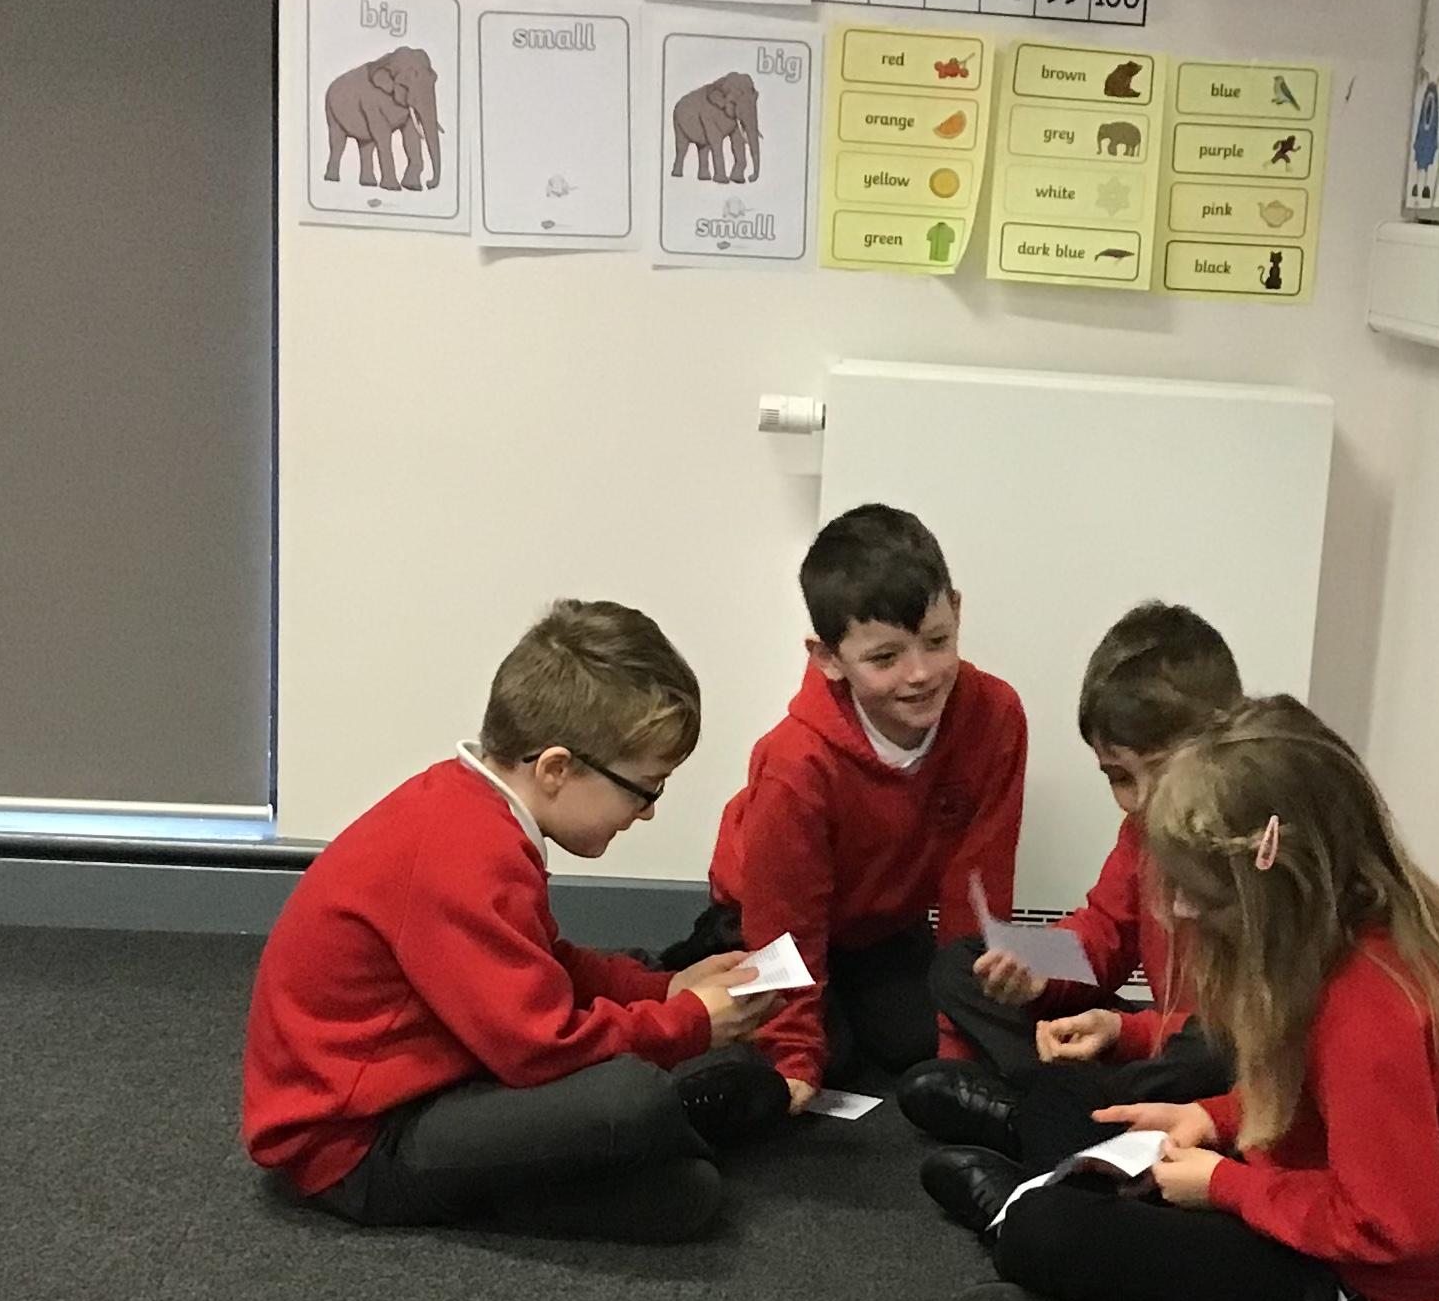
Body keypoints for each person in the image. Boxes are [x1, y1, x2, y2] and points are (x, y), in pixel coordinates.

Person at [945, 699, 1439, 1301]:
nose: (1179, 910)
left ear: (1279, 877)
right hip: (1296, 1203)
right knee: (1082, 1108)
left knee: (1048, 1233)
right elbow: (1308, 1099)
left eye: (1201, 896)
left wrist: (1226, 1187)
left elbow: (1396, 1228)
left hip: (1350, 1299)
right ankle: (1039, 1205)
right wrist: (1213, 1118)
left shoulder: (1368, 1009)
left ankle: (1029, 1233)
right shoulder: (1337, 942)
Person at [242, 600, 792, 1243]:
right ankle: (631, 1144)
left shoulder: (472, 809)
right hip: (356, 1147)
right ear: (556, 769)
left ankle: (632, 1146)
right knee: (634, 1105)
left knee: (673, 1164)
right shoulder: (465, 853)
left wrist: (664, 989)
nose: (647, 811)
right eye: (646, 787)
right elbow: (539, 1048)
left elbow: (540, 961)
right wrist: (691, 1023)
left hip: (432, 1078)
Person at [673, 504, 1026, 1108]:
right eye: (885, 658)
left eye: (937, 641)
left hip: (880, 930)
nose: (921, 673)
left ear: (957, 611)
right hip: (762, 921)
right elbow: (785, 921)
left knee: (920, 1043)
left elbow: (979, 880)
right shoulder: (795, 762)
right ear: (828, 658)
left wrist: (962, 1038)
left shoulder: (996, 716)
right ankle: (682, 975)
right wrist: (793, 1056)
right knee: (818, 1056)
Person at [902, 601, 1243, 1201]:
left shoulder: (1253, 849)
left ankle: (1034, 1118)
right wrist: (1036, 966)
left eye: (1158, 772)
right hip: (1148, 1045)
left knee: (1215, 1049)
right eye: (1118, 777)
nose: (1139, 800)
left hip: (1210, 1060)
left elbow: (1253, 1027)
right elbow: (1104, 932)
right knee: (960, 964)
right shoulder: (1141, 835)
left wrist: (1125, 1031)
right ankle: (1072, 1114)